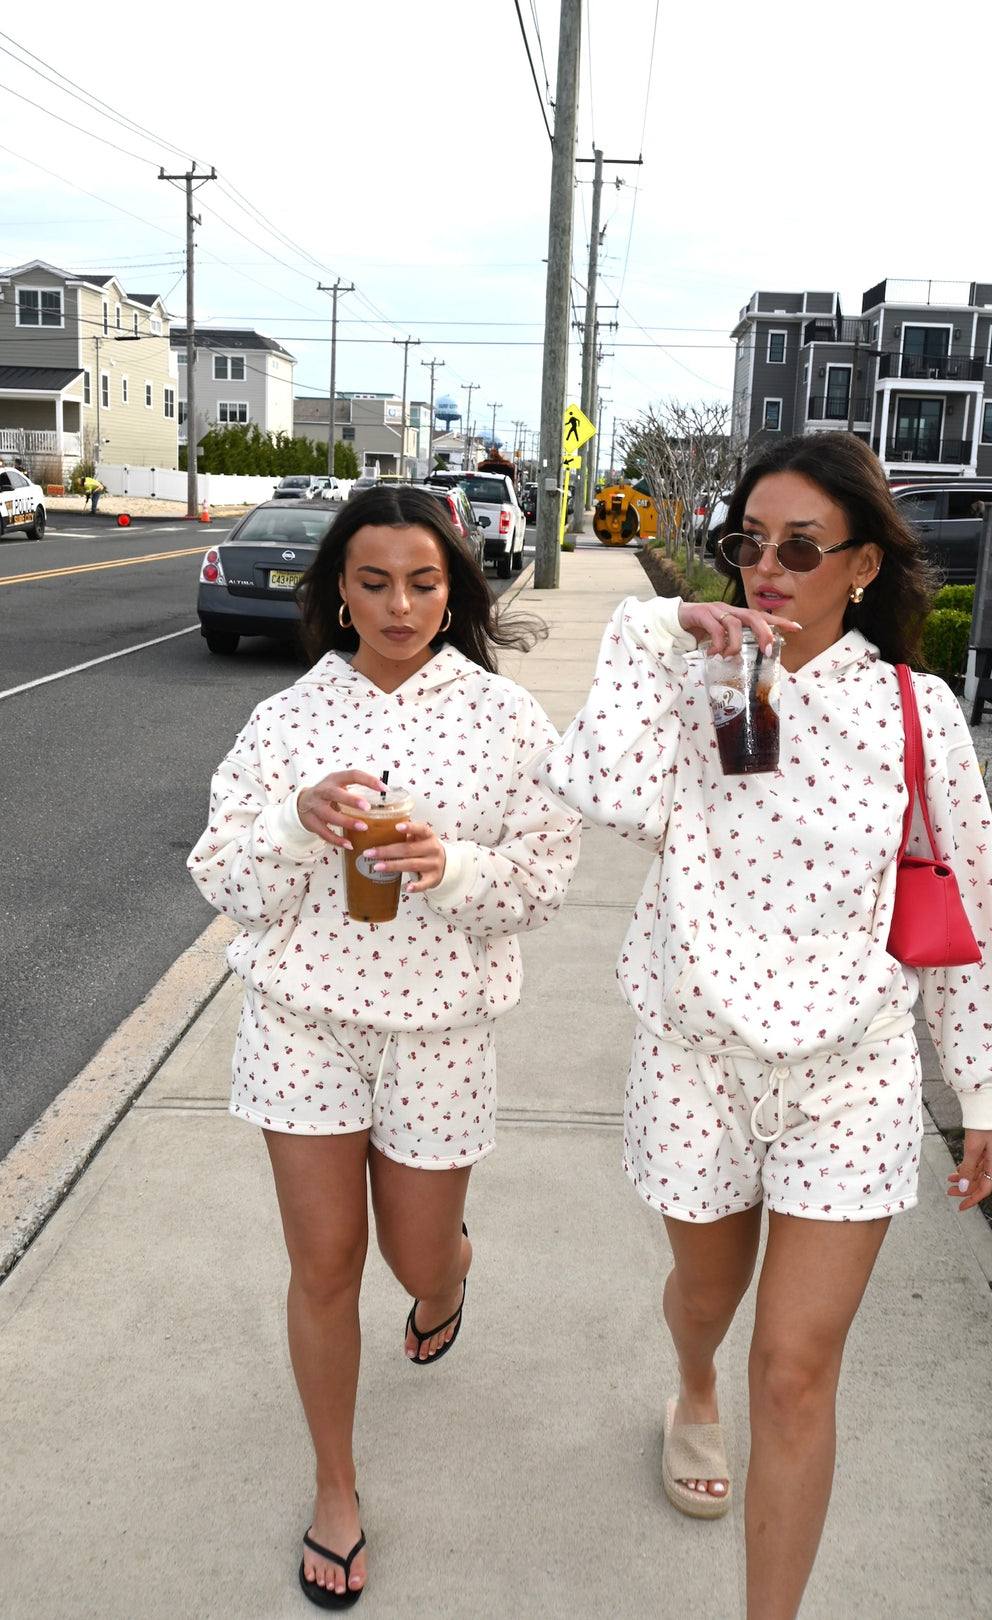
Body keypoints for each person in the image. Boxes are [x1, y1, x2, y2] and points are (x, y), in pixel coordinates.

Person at [538, 431, 992, 1620]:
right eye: (748, 544)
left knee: (797, 1373)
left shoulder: (918, 713)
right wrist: (655, 636)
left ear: (863, 565)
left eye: (801, 547)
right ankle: (689, 1382)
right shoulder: (692, 682)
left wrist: (984, 1088)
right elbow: (603, 792)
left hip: (848, 1077)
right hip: (695, 1062)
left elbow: (973, 902)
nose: (768, 568)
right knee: (706, 1301)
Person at [188, 485, 580, 1608]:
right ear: (339, 593)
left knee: (412, 1262)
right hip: (302, 1022)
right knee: (323, 1269)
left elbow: (543, 886)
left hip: (439, 1031)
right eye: (373, 582)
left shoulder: (505, 722)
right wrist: (291, 821)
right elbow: (226, 883)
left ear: (454, 591)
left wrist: (448, 864)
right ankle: (336, 1489)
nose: (400, 606)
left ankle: (447, 1266)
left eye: (423, 581)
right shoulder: (287, 722)